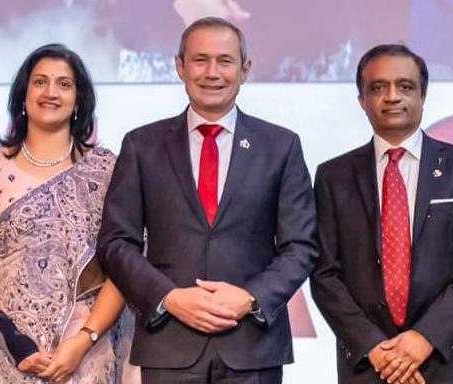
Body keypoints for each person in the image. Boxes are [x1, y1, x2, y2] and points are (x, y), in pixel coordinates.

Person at [97, 16, 318, 383]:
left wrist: (249, 298)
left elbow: (302, 246)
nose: (212, 72)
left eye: (225, 61)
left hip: (252, 348)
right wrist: (168, 298)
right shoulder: (142, 145)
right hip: (168, 344)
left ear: (245, 69)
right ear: (180, 66)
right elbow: (116, 242)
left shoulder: (280, 146)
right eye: (200, 60)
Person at [0, 43, 135, 383]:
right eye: (40, 82)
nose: (51, 92)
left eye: (64, 84)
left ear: (79, 100)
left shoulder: (109, 171)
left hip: (87, 349)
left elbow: (126, 268)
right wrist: (14, 342)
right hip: (6, 351)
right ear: (23, 95)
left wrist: (83, 341)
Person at [311, 44, 453, 384]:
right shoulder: (333, 176)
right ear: (362, 99)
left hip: (447, 359)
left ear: (423, 95)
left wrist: (425, 339)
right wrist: (376, 348)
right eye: (378, 87)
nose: (392, 96)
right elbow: (324, 275)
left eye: (405, 86)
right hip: (368, 364)